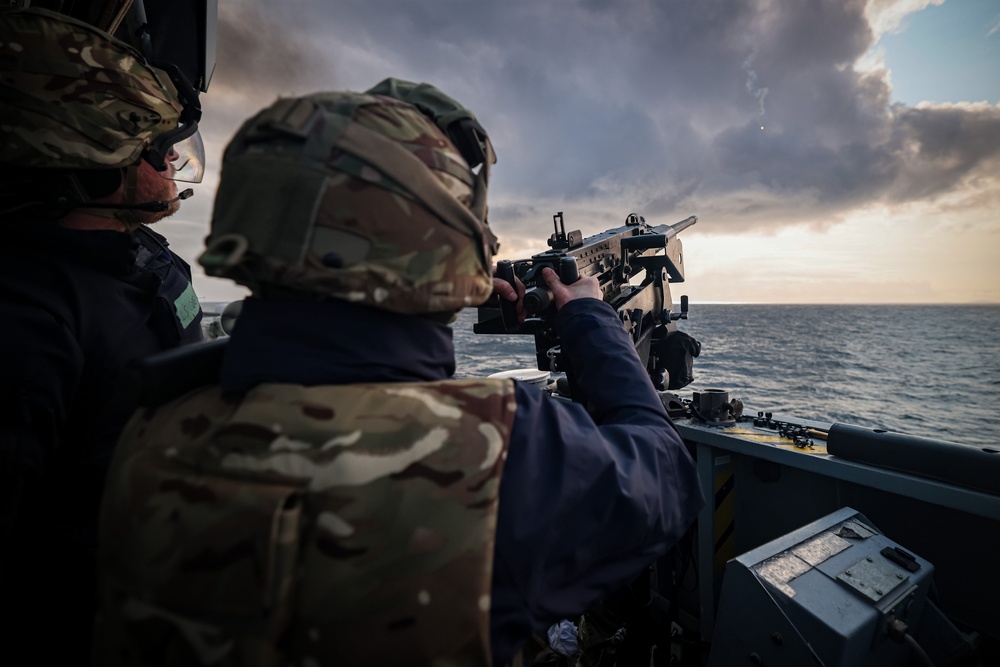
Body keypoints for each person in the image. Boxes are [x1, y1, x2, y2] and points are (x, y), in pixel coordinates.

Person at [94, 81, 703, 666]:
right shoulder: (496, 450)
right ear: (445, 231)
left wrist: (440, 291)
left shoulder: (156, 429)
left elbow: (316, 341)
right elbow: (666, 475)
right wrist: (591, 318)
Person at [0, 8, 206, 661]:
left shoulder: (153, 261)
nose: (172, 156)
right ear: (89, 158)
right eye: (156, 145)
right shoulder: (27, 317)